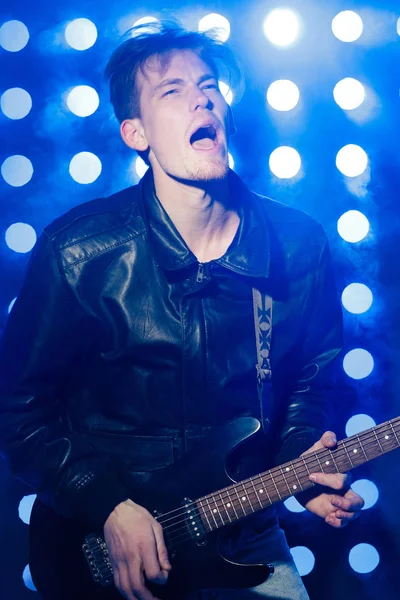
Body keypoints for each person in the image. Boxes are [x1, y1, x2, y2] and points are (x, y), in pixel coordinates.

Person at [0, 21, 364, 600]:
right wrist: (107, 505)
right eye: (172, 91)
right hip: (106, 542)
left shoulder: (298, 244)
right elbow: (19, 411)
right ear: (135, 131)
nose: (202, 98)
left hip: (243, 533)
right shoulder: (78, 251)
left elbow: (309, 386)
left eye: (210, 85)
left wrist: (302, 470)